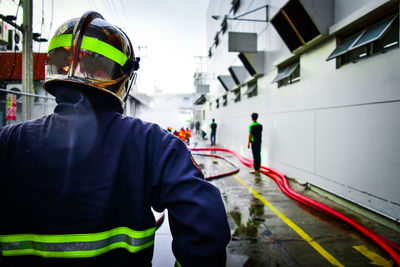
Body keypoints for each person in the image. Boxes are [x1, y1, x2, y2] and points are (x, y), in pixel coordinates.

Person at [0, 11, 230, 266]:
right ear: (122, 77)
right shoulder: (154, 143)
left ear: (54, 70)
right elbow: (206, 230)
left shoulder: (7, 142)